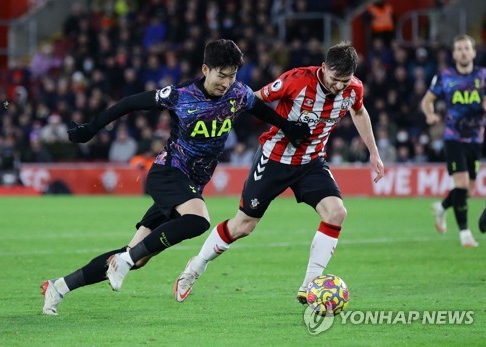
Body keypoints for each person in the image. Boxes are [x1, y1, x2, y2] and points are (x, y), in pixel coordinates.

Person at [40, 39, 310, 315]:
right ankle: (124, 261)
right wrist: (92, 128)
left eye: (232, 75)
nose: (226, 82)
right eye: (221, 74)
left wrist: (288, 127)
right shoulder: (180, 94)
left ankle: (59, 287)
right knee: (198, 220)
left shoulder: (238, 93)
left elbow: (259, 108)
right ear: (206, 69)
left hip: (189, 184)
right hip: (168, 173)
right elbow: (131, 103)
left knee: (137, 256)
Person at [173, 41, 385, 303]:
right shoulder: (296, 80)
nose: (339, 86)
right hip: (274, 158)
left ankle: (310, 286)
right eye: (335, 79)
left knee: (337, 212)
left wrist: (374, 152)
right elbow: (254, 98)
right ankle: (196, 267)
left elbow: (360, 112)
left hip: (311, 162)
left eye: (345, 80)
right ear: (324, 68)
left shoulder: (354, 89)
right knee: (243, 226)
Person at [421, 34, 485, 247]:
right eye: (459, 49)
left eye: (467, 48)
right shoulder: (445, 77)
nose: (463, 52)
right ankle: (465, 233)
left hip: (476, 138)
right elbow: (427, 101)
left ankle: (442, 207)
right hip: (453, 137)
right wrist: (430, 114)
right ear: (454, 53)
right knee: (462, 183)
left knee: (468, 189)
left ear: (474, 52)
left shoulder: (483, 76)